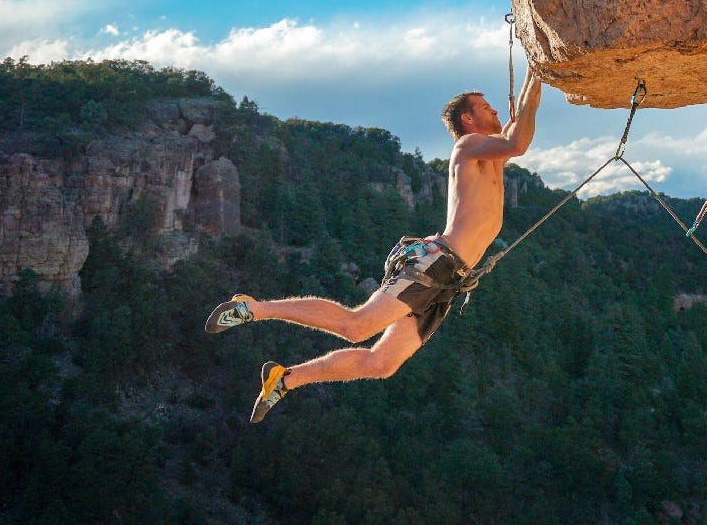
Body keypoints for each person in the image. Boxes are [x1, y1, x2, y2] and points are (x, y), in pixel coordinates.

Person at [205, 71, 542, 423]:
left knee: (382, 364)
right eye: (486, 108)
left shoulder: (491, 158)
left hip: (449, 280)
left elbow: (516, 131)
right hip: (436, 265)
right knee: (357, 326)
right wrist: (539, 72)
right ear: (467, 120)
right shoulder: (466, 147)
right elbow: (517, 140)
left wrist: (533, 82)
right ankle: (253, 308)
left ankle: (286, 379)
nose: (495, 112)